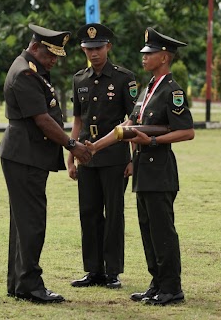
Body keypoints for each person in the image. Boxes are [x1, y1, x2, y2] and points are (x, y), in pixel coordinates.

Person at [86, 27, 195, 306]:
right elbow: (127, 126)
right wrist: (95, 147)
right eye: (144, 54)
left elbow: (186, 131)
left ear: (164, 57)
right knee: (148, 229)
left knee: (162, 230)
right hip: (143, 169)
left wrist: (154, 140)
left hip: (160, 170)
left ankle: (172, 288)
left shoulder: (172, 91)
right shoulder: (148, 89)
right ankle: (156, 283)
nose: (144, 58)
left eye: (150, 54)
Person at [0, 23, 92, 303]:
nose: (53, 60)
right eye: (50, 54)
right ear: (35, 47)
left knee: (23, 221)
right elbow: (42, 120)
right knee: (32, 222)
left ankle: (19, 282)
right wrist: (72, 145)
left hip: (25, 154)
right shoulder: (26, 73)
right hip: (25, 155)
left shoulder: (29, 67)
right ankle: (30, 285)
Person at [67, 23, 138, 289]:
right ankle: (93, 270)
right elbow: (77, 118)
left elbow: (132, 121)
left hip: (115, 157)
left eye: (98, 48)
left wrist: (133, 158)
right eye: (88, 48)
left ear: (108, 46)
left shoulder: (124, 78)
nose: (93, 53)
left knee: (114, 213)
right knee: (89, 213)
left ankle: (112, 271)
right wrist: (71, 153)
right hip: (86, 155)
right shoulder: (79, 79)